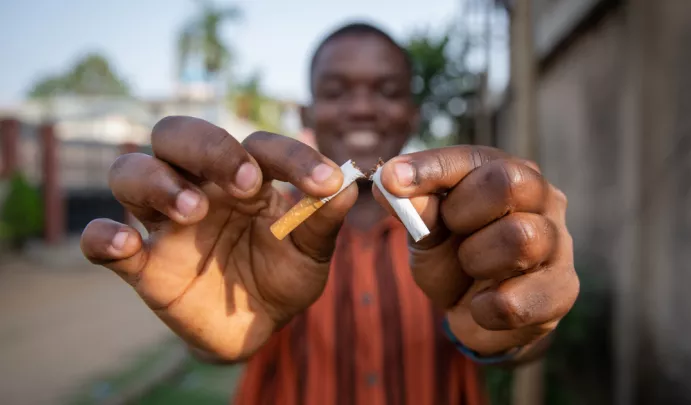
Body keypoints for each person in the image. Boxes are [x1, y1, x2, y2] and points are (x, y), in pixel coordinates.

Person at [80, 22, 579, 405]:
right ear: (306, 115)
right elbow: (211, 340)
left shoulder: (459, 230)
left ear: (413, 115)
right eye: (337, 92)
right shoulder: (264, 229)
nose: (361, 109)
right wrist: (211, 330)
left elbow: (520, 344)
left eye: (386, 91)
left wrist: (516, 322)